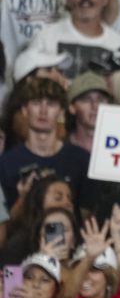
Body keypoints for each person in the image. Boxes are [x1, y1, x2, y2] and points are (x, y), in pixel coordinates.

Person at [0, 78, 92, 211]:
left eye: (51, 104)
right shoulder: (7, 163)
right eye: (36, 103)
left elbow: (86, 216)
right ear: (25, 110)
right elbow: (5, 224)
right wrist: (23, 199)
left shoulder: (81, 160)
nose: (43, 110)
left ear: (61, 111)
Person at [67, 71, 113, 152]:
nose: (95, 106)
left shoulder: (118, 150)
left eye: (100, 100)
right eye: (86, 99)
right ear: (72, 107)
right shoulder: (60, 150)